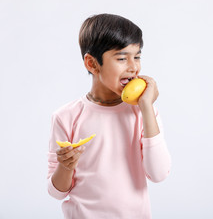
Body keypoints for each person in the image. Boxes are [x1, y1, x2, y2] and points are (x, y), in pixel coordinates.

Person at [47, 13, 172, 219]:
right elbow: (56, 192)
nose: (133, 67)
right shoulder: (65, 116)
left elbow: (158, 174)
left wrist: (147, 108)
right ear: (92, 64)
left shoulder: (143, 111)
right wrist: (65, 166)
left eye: (137, 56)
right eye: (122, 58)